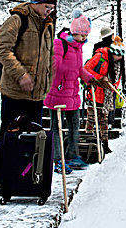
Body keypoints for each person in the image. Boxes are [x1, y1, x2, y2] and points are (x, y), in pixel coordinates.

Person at [0, 0, 56, 194]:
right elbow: (2, 49)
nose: (50, 10)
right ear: (36, 3)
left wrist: (48, 82)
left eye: (52, 7)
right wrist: (20, 74)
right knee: (10, 136)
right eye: (47, 6)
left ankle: (28, 179)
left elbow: (48, 58)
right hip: (15, 93)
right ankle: (2, 179)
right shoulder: (17, 20)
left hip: (36, 95)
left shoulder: (47, 25)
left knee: (33, 139)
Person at [44, 9, 103, 173]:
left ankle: (71, 155)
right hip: (57, 93)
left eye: (86, 36)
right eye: (81, 35)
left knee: (75, 125)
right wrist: (71, 71)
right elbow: (55, 66)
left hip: (72, 95)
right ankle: (57, 159)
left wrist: (90, 78)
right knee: (57, 127)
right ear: (74, 32)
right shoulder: (59, 43)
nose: (84, 39)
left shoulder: (78, 48)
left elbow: (78, 69)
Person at [84, 36, 125, 154]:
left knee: (104, 121)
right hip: (94, 92)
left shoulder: (117, 63)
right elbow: (86, 69)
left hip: (107, 96)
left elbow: (117, 79)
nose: (120, 58)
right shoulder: (100, 56)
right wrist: (100, 78)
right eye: (118, 55)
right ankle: (89, 143)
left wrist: (114, 88)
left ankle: (105, 144)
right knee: (91, 119)